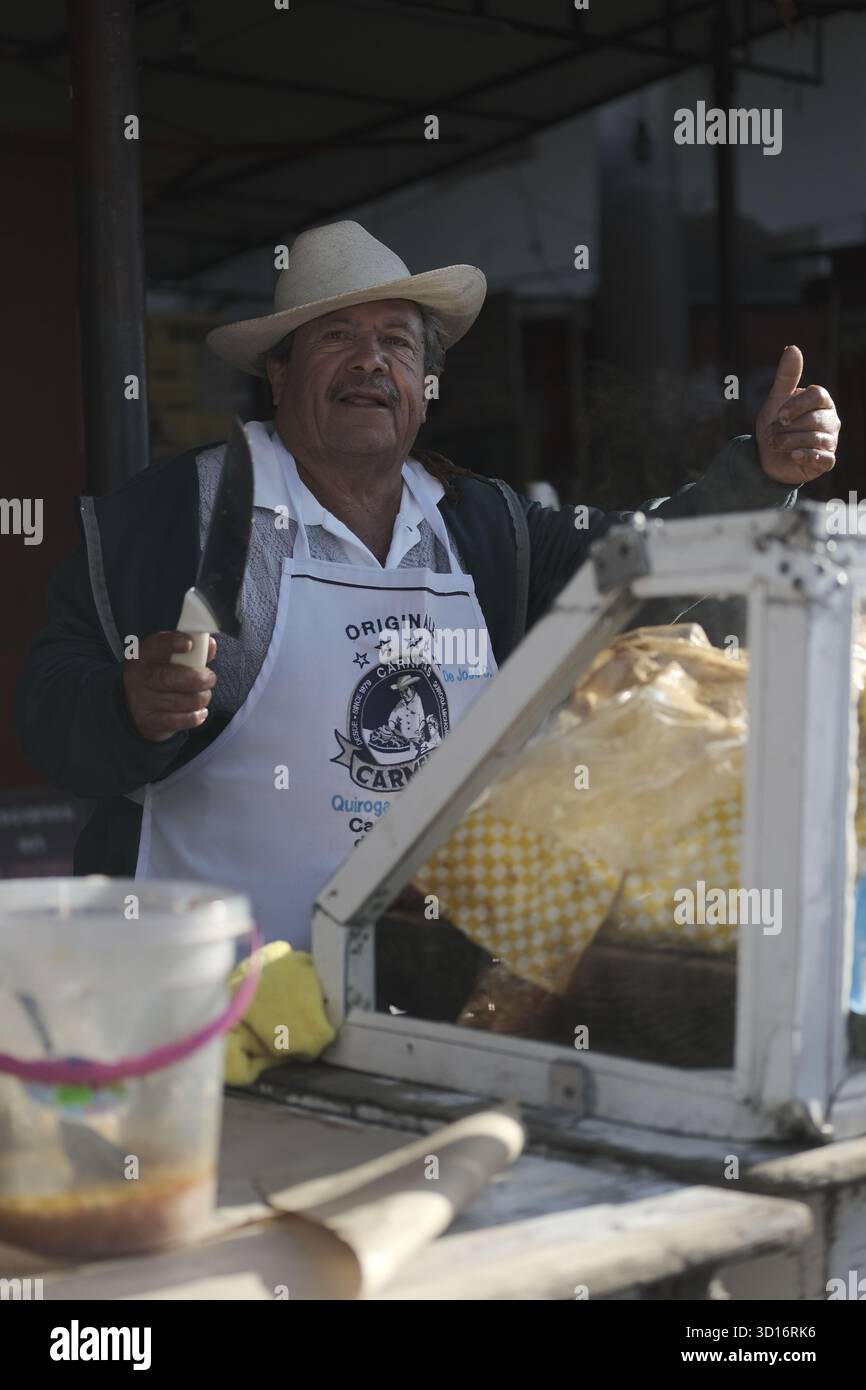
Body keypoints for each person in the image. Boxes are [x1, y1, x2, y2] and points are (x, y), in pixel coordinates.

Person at [16, 220, 841, 945]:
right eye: (336, 336)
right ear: (278, 369)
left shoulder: (486, 525)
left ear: (424, 382)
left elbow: (641, 568)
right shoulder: (178, 516)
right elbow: (49, 708)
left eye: (398, 342)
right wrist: (127, 705)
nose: (371, 361)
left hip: (425, 999)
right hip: (216, 1007)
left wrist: (759, 475)